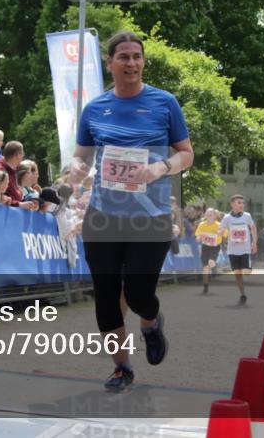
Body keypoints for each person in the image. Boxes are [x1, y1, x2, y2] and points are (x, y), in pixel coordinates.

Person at [71, 31, 194, 393]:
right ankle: (122, 368)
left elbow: (186, 153)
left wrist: (161, 168)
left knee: (139, 294)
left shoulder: (164, 102)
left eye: (137, 56)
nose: (131, 63)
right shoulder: (94, 109)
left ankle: (151, 323)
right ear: (110, 63)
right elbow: (82, 155)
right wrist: (78, 167)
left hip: (150, 214)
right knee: (106, 295)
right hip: (103, 215)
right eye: (123, 57)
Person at [220, 195, 256, 305]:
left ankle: (248, 266)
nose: (242, 205)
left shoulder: (247, 216)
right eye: (239, 202)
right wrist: (219, 235)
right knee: (238, 274)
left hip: (245, 249)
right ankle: (243, 295)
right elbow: (221, 231)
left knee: (246, 271)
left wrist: (255, 243)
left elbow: (253, 229)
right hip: (232, 250)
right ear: (232, 204)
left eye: (243, 203)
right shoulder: (227, 218)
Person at [194, 208, 224, 294]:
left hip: (215, 246)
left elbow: (226, 233)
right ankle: (205, 286)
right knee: (205, 268)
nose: (208, 215)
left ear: (214, 216)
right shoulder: (202, 224)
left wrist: (220, 233)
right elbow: (198, 235)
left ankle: (214, 264)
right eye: (207, 214)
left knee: (211, 262)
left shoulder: (219, 225)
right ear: (205, 215)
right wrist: (198, 238)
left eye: (210, 214)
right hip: (205, 247)